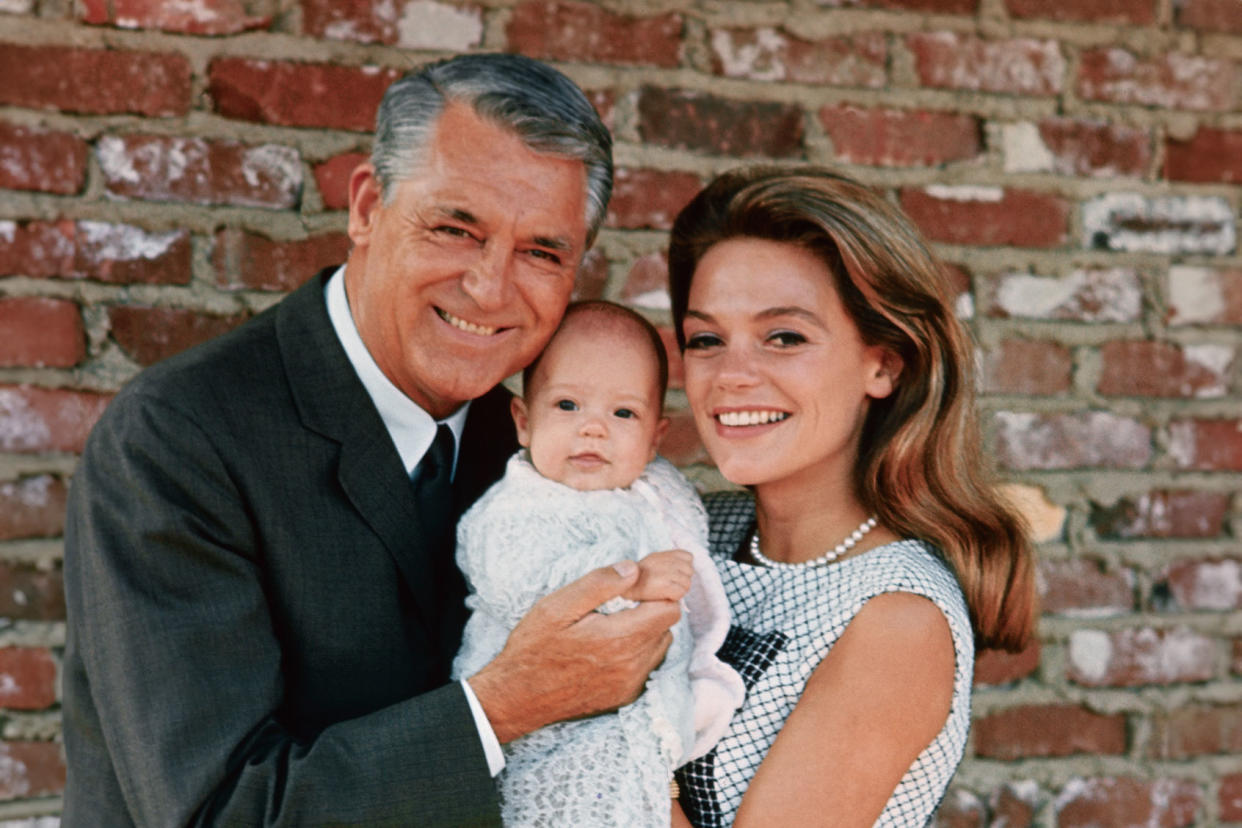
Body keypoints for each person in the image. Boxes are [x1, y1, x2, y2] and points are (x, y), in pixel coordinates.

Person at [61, 53, 688, 827]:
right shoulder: (176, 440)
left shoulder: (538, 442)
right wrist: (505, 706)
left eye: (541, 252)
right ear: (366, 206)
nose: (490, 289)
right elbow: (218, 813)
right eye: (457, 228)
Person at [664, 165, 1037, 827]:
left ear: (884, 363)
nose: (732, 376)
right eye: (707, 340)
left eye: (785, 337)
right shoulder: (688, 528)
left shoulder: (895, 619)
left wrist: (605, 739)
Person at [451, 301, 745, 827]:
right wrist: (635, 582)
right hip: (545, 742)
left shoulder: (651, 491)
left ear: (655, 437)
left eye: (623, 414)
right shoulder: (519, 507)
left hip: (632, 749)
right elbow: (529, 590)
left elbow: (685, 532)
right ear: (523, 421)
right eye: (567, 405)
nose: (593, 429)